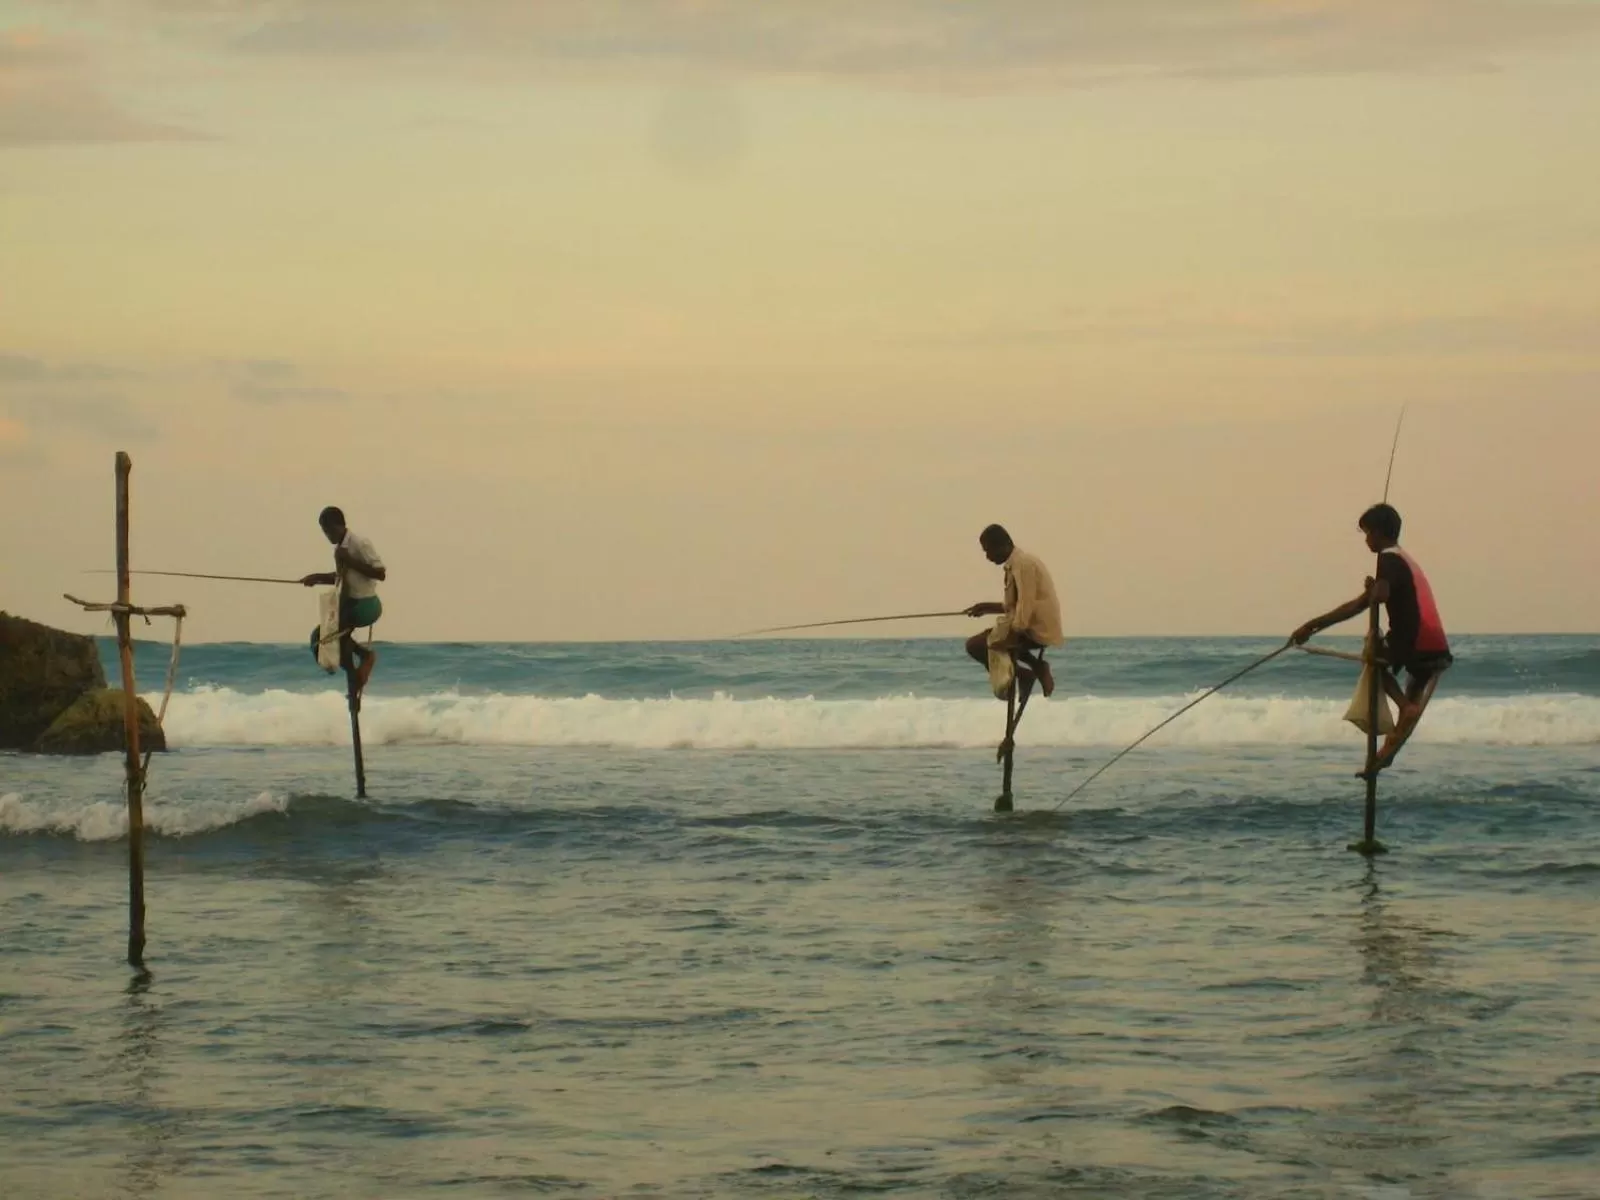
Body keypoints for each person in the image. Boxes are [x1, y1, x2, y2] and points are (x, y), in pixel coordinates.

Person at [1291, 503, 1451, 774]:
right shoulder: (1405, 559)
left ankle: (1403, 707)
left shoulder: (1388, 559)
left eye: (1367, 533)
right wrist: (1313, 625)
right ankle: (1384, 755)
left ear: (1378, 533)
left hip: (1411, 642)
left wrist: (1375, 590)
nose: (1366, 540)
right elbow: (1359, 603)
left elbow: (1377, 598)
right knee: (1410, 706)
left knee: (1372, 658)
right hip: (1435, 646)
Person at [964, 524, 1064, 706]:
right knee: (992, 641)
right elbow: (1013, 606)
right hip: (1029, 625)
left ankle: (1025, 674)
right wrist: (985, 607)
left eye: (989, 551)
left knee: (976, 645)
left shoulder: (1023, 565)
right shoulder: (1016, 565)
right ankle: (1033, 668)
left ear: (1003, 545)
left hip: (1035, 629)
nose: (988, 557)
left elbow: (1026, 604)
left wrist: (1013, 633)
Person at [300, 506, 386, 692]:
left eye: (328, 531)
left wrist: (349, 560)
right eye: (325, 532)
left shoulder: (359, 543)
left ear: (338, 526)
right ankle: (352, 675)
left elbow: (380, 573)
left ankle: (367, 657)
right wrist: (316, 577)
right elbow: (343, 576)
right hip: (349, 604)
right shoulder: (340, 549)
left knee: (334, 634)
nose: (327, 536)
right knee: (319, 637)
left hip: (365, 604)